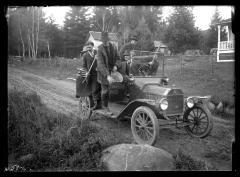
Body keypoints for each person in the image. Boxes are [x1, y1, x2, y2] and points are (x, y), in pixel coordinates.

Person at [96, 31, 121, 115]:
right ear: (102, 41)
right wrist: (107, 75)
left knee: (115, 89)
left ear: (108, 40)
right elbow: (100, 64)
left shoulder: (113, 47)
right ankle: (105, 107)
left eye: (106, 40)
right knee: (105, 90)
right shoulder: (99, 49)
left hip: (113, 71)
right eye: (104, 41)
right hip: (103, 73)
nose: (105, 42)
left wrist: (116, 66)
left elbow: (118, 58)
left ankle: (114, 104)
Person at [77, 41, 101, 110]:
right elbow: (84, 66)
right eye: (87, 47)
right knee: (90, 89)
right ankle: (91, 103)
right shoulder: (85, 55)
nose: (88, 48)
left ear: (92, 46)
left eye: (89, 47)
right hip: (89, 74)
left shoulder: (97, 53)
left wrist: (98, 59)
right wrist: (86, 71)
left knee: (96, 89)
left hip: (98, 74)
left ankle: (97, 104)